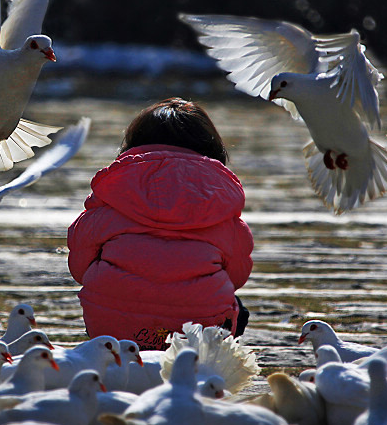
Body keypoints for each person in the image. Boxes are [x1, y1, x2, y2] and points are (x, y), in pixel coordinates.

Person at [67, 97, 253, 350]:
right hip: (195, 330)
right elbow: (236, 277)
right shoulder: (221, 203)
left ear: (134, 144)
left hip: (115, 329)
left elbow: (80, 268)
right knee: (237, 309)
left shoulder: (112, 194)